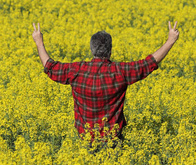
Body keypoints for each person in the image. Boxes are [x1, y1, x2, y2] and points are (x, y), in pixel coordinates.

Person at [32, 21, 179, 150]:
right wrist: (170, 40)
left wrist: (39, 41)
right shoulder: (120, 72)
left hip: (85, 140)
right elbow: (148, 63)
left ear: (91, 49)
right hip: (113, 141)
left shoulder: (76, 71)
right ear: (110, 50)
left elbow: (49, 66)